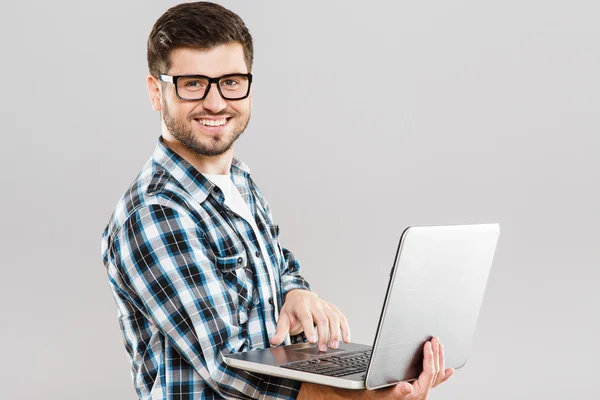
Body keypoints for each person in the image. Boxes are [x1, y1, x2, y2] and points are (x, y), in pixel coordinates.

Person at [100, 2, 453, 399]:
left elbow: (277, 265)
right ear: (156, 92)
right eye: (193, 83)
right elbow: (229, 365)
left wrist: (295, 292)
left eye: (231, 81)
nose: (216, 103)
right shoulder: (156, 212)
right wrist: (361, 398)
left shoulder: (238, 180)